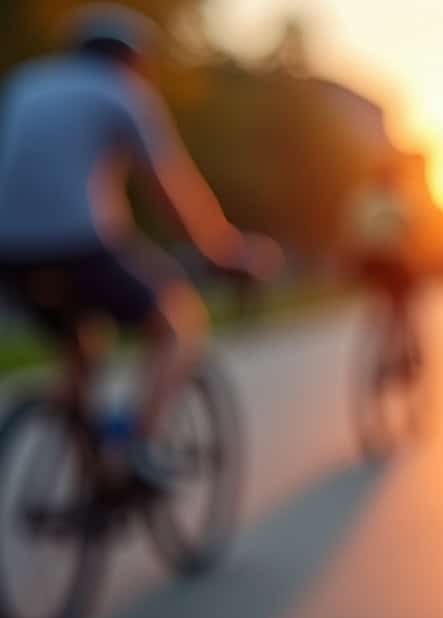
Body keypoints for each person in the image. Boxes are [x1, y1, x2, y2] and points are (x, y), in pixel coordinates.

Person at [0, 5, 274, 491]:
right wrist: (223, 251)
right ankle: (141, 448)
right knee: (178, 322)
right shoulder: (122, 89)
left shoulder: (27, 83)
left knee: (81, 346)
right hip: (79, 243)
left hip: (10, 251)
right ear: (134, 59)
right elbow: (171, 189)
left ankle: (84, 454)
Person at [343, 159, 417, 352]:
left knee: (377, 300)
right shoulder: (397, 199)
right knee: (402, 301)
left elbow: (352, 232)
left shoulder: (362, 199)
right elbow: (411, 229)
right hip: (391, 260)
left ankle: (375, 335)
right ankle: (409, 346)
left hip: (371, 261)